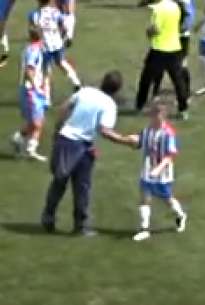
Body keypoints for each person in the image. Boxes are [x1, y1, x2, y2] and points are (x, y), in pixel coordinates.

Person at [40, 72, 137, 235]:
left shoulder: (85, 92)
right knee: (82, 187)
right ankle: (80, 226)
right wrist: (126, 141)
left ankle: (48, 218)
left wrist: (57, 132)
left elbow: (65, 108)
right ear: (117, 90)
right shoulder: (108, 105)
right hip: (82, 146)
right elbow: (104, 130)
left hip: (65, 140)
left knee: (59, 182)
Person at [133, 100, 188, 241]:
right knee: (145, 197)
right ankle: (144, 229)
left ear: (163, 116)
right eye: (152, 115)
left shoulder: (168, 133)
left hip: (162, 173)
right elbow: (140, 142)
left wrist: (158, 168)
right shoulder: (147, 131)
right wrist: (130, 140)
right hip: (147, 169)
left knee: (167, 199)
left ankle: (180, 215)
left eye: (156, 115)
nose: (152, 118)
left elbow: (170, 155)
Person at [135, 0, 189, 118]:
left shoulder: (158, 9)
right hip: (175, 48)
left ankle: (139, 105)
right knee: (178, 81)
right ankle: (183, 109)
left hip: (159, 49)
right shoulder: (176, 7)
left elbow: (156, 29)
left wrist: (149, 32)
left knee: (146, 79)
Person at [28, 0, 80, 88]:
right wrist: (63, 37)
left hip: (44, 47)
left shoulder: (33, 14)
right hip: (57, 43)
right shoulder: (55, 12)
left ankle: (46, 97)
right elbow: (64, 27)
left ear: (38, 0)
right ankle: (76, 81)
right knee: (61, 62)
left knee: (45, 71)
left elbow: (31, 31)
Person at [157, 0, 195, 100]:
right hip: (168, 34)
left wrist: (183, 28)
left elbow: (189, 11)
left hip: (180, 35)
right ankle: (155, 92)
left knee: (180, 64)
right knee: (160, 63)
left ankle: (186, 92)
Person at [11, 29, 49, 161]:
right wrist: (36, 87)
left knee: (39, 120)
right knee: (36, 122)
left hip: (36, 89)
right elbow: (29, 70)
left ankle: (22, 141)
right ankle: (27, 146)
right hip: (31, 90)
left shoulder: (35, 49)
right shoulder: (33, 51)